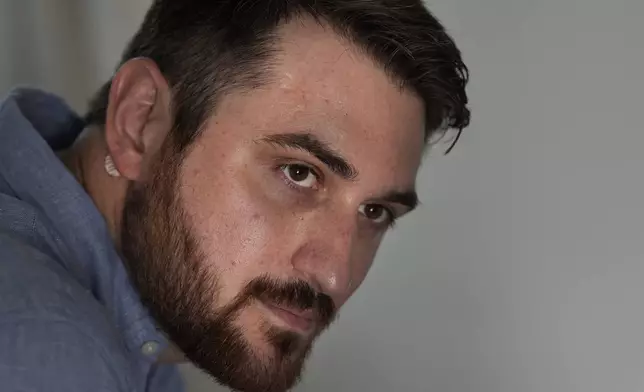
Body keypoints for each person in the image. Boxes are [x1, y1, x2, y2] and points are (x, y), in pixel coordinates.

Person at [0, 0, 470, 391]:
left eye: (374, 211)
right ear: (139, 122)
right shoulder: (50, 350)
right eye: (299, 173)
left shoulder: (136, 317)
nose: (333, 273)